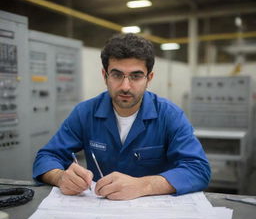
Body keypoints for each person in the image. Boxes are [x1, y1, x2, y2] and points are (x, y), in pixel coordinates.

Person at [33, 33, 211, 200]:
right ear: (105, 75)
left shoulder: (169, 115)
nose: (126, 86)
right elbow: (46, 157)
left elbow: (198, 169)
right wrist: (61, 177)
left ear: (149, 78)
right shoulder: (85, 113)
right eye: (117, 75)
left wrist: (144, 185)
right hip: (98, 210)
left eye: (136, 76)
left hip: (151, 214)